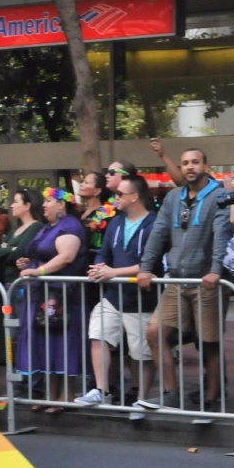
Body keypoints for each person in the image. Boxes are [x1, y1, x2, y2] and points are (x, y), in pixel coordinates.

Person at [137, 148, 232, 410]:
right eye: (185, 163)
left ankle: (213, 398)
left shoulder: (220, 195)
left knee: (208, 342)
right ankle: (171, 392)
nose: (190, 167)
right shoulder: (173, 197)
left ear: (205, 165)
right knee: (155, 333)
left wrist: (215, 270)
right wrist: (145, 267)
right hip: (176, 280)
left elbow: (222, 234)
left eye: (195, 162)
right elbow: (158, 233)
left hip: (207, 282)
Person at [76, 175, 158, 416]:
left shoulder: (154, 224)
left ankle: (141, 400)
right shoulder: (116, 222)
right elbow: (104, 252)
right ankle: (101, 390)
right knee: (98, 333)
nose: (115, 198)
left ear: (135, 196)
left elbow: (149, 263)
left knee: (140, 351)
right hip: (113, 295)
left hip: (141, 298)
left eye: (120, 194)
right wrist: (100, 266)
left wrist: (112, 272)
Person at [17, 187, 89, 410]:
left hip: (62, 296)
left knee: (62, 343)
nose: (44, 204)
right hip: (42, 295)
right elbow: (41, 254)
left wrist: (39, 272)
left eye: (49, 200)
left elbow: (66, 257)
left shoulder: (70, 226)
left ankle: (65, 396)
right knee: (45, 344)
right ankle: (50, 394)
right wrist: (28, 264)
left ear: (62, 204)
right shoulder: (49, 227)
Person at [0, 189, 43, 284]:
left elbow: (19, 253)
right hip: (7, 281)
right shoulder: (16, 228)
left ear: (27, 206)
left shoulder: (36, 226)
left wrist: (7, 249)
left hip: (20, 283)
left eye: (16, 202)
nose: (12, 206)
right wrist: (11, 249)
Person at [78, 170, 116, 256]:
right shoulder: (79, 213)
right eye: (82, 182)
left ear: (97, 191)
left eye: (86, 183)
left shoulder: (105, 215)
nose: (81, 184)